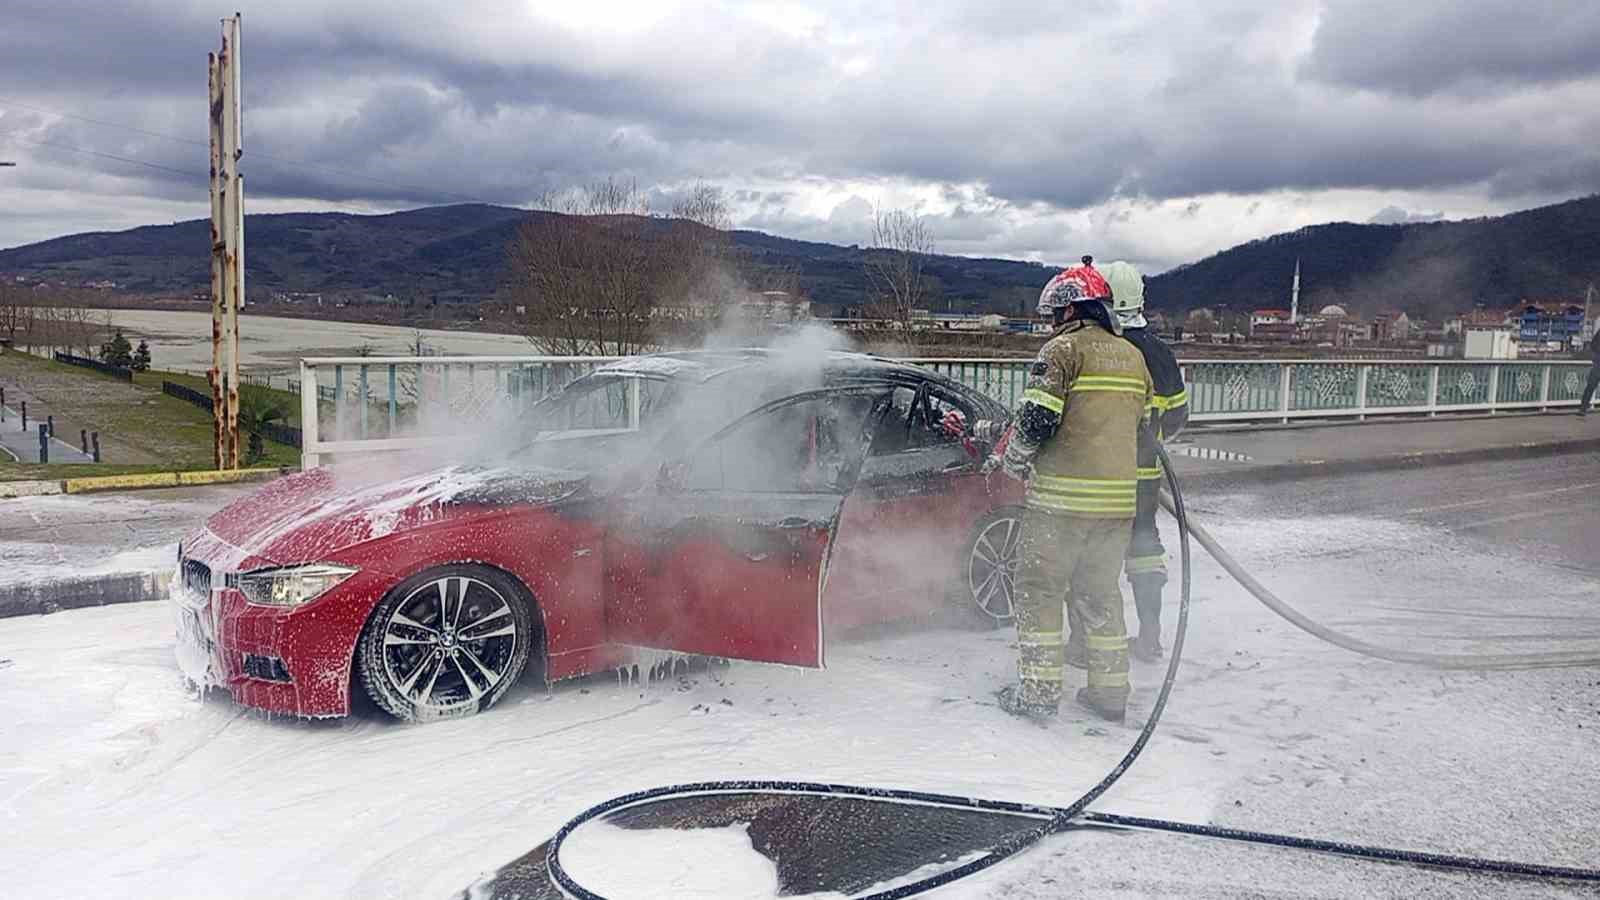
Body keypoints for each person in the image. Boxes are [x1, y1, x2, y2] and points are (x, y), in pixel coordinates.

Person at [989, 262, 1153, 722]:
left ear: (1070, 310)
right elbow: (1142, 424)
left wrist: (1012, 461)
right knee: (1100, 596)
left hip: (1060, 504)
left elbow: (1037, 419)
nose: (1049, 322)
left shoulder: (1061, 350)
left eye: (1053, 314)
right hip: (1117, 505)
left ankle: (1039, 691)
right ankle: (1110, 693)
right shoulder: (1133, 356)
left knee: (1038, 590)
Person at [1076, 261, 1188, 663]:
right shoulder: (1160, 352)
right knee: (1144, 548)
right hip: (1144, 478)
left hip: (1098, 475)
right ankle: (1150, 636)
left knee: (1090, 555)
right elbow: (1177, 416)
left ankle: (1086, 642)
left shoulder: (1098, 347)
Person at [1580, 329, 1600, 417]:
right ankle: (1583, 408)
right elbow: (1593, 344)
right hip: (1598, 363)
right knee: (1591, 385)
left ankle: (1583, 408)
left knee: (1590, 385)